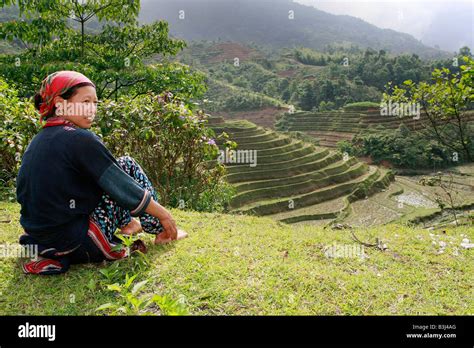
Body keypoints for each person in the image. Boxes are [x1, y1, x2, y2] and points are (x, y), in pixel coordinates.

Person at [16, 70, 187, 275]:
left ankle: (129, 224)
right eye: (86, 101)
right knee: (126, 165)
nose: (92, 109)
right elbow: (123, 187)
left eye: (95, 103)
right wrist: (165, 215)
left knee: (103, 175)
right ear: (60, 103)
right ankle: (161, 232)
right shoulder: (80, 138)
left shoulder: (40, 139)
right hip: (77, 243)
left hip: (39, 241)